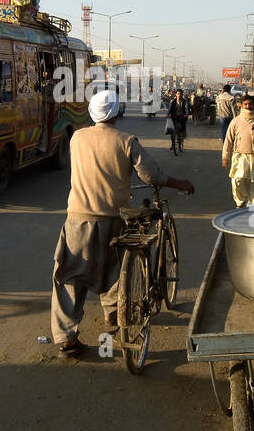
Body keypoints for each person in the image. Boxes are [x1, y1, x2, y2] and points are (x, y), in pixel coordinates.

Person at [51, 89, 195, 355]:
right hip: (114, 217)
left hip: (79, 219)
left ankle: (66, 336)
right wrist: (180, 183)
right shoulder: (127, 141)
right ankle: (113, 313)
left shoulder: (77, 138)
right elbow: (152, 176)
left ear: (92, 113)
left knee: (70, 276)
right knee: (114, 270)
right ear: (116, 113)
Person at [222, 94, 254, 207]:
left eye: (250, 104)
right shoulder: (236, 121)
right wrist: (225, 157)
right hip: (240, 157)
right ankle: (240, 203)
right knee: (237, 181)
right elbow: (228, 141)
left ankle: (252, 205)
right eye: (245, 104)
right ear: (241, 105)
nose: (248, 106)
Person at [166, 89, 189, 155]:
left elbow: (186, 109)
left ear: (182, 95)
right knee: (172, 132)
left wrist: (186, 114)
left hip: (182, 118)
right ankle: (173, 144)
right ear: (176, 94)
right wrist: (167, 114)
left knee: (182, 130)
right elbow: (169, 109)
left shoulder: (185, 101)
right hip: (174, 117)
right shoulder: (172, 101)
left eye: (180, 94)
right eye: (178, 94)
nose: (179, 95)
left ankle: (181, 141)